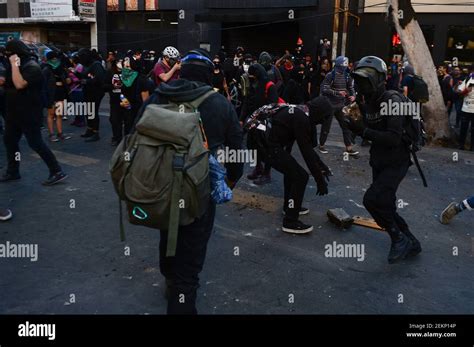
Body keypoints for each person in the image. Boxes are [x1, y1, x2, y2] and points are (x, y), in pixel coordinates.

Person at [137, 48, 243, 314]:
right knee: (191, 256)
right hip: (200, 189)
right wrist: (230, 180)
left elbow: (136, 134)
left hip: (162, 186)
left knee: (167, 232)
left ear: (182, 71)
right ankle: (181, 294)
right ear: (209, 75)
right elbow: (236, 152)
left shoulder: (160, 96)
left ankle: (170, 278)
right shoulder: (220, 104)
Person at [345, 55, 421, 264]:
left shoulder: (392, 99)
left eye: (366, 79)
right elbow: (369, 128)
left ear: (380, 79)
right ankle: (411, 242)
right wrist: (351, 123)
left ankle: (398, 239)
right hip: (379, 160)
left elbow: (394, 138)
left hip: (396, 161)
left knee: (371, 200)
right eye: (359, 80)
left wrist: (363, 131)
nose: (361, 85)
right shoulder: (365, 100)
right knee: (386, 204)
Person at [252, 97, 333, 233]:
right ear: (319, 113)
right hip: (265, 146)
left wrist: (322, 167)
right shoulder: (301, 118)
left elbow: (308, 149)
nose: (321, 122)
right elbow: (306, 152)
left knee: (292, 171)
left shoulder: (300, 111)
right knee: (300, 176)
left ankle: (289, 207)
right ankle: (290, 221)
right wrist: (320, 181)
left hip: (267, 143)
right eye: (323, 118)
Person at [1, 39, 67, 186]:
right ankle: (13, 170)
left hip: (29, 113)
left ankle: (56, 170)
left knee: (35, 143)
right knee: (10, 141)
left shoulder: (32, 66)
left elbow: (19, 84)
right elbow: (5, 80)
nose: (8, 56)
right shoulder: (15, 65)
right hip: (14, 113)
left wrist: (14, 64)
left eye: (10, 54)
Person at [241, 63, 279, 185]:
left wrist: (261, 116)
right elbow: (247, 102)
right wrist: (242, 119)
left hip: (265, 123)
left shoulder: (269, 86)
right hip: (253, 123)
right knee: (252, 145)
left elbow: (273, 105)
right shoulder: (253, 85)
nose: (251, 77)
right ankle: (258, 168)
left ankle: (266, 173)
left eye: (252, 75)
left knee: (265, 148)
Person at [320, 56, 358, 156]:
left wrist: (353, 96)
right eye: (342, 67)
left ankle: (349, 148)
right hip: (330, 104)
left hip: (341, 105)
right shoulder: (330, 75)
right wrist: (337, 92)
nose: (343, 69)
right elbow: (324, 89)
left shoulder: (347, 75)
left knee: (345, 126)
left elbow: (350, 87)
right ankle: (321, 145)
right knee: (326, 126)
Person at [77, 48, 106, 142]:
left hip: (96, 92)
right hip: (87, 91)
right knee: (88, 112)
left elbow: (100, 79)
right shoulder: (86, 65)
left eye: (81, 57)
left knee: (93, 112)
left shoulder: (96, 65)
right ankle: (89, 130)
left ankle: (95, 133)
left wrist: (87, 81)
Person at [42, 50, 71, 142]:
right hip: (50, 94)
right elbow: (43, 85)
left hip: (60, 93)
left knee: (59, 114)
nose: (55, 60)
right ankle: (51, 134)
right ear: (49, 59)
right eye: (52, 58)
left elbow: (67, 80)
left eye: (56, 58)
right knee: (51, 114)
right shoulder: (46, 70)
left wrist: (68, 80)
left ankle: (60, 133)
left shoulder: (61, 69)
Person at [455, 65, 474, 151]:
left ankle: (461, 145)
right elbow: (459, 91)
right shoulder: (468, 79)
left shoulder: (468, 79)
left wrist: (464, 91)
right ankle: (471, 147)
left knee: (464, 128)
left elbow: (459, 91)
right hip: (467, 108)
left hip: (466, 108)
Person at [67, 54, 85, 127]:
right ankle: (77, 120)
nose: (70, 60)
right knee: (75, 106)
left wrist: (72, 79)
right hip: (73, 89)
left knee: (79, 106)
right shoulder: (75, 66)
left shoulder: (79, 66)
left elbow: (79, 78)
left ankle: (81, 121)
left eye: (71, 58)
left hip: (78, 89)